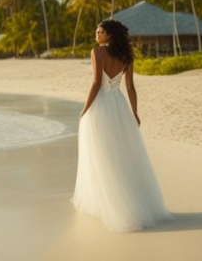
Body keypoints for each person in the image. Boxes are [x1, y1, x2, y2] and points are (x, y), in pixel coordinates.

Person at [71, 19, 172, 231]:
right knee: (121, 155)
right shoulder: (127, 56)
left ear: (109, 35)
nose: (96, 35)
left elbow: (96, 83)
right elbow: (130, 87)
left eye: (99, 32)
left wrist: (85, 109)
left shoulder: (97, 53)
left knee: (102, 155)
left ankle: (109, 205)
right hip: (119, 106)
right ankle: (128, 204)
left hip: (101, 107)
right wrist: (134, 113)